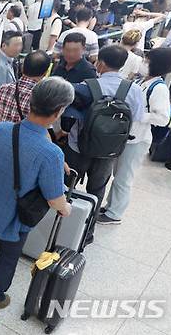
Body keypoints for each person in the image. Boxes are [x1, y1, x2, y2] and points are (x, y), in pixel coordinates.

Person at [0, 77, 74, 308]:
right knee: (8, 257)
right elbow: (54, 199)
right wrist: (66, 208)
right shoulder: (51, 154)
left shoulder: (1, 129)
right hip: (15, 219)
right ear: (58, 111)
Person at [63, 45, 145, 244]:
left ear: (100, 63)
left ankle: (60, 226)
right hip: (109, 151)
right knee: (97, 190)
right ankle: (87, 233)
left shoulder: (86, 86)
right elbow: (138, 117)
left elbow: (68, 115)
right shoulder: (133, 90)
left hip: (79, 147)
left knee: (67, 186)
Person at [100, 47, 171, 225]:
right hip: (129, 136)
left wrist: (139, 115)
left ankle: (114, 213)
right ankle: (111, 206)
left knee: (124, 177)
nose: (144, 63)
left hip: (138, 139)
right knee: (118, 174)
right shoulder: (144, 81)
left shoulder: (159, 89)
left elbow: (163, 118)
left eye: (147, 61)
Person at [0, 50, 51, 130]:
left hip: (0, 139)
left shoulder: (3, 89)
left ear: (22, 68)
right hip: (23, 141)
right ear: (45, 73)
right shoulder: (41, 97)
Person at [0, 31, 23, 96]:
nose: (19, 48)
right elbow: (0, 93)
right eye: (16, 45)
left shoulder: (10, 59)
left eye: (20, 44)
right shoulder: (0, 66)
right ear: (4, 46)